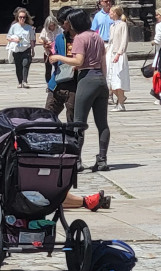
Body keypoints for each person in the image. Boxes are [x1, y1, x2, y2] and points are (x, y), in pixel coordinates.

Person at [51, 8, 110, 172]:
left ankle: (76, 160)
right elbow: (103, 61)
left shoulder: (79, 38)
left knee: (79, 122)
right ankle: (102, 158)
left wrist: (58, 57)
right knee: (102, 123)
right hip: (100, 78)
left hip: (87, 78)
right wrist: (105, 81)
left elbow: (78, 61)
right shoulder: (96, 36)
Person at [45, 7, 76, 123]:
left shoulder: (82, 38)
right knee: (47, 115)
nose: (62, 25)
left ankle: (73, 140)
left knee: (73, 117)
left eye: (63, 22)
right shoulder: (59, 38)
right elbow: (55, 60)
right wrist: (50, 53)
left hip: (75, 84)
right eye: (60, 22)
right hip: (57, 82)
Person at [106, 6, 129, 111]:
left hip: (118, 55)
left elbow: (124, 41)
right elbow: (110, 42)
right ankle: (120, 98)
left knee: (118, 79)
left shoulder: (122, 25)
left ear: (115, 13)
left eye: (111, 12)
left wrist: (119, 53)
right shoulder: (112, 26)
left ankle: (120, 104)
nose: (109, 13)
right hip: (111, 53)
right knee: (110, 80)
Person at [7, 8, 36, 88]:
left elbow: (32, 39)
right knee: (18, 66)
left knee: (26, 64)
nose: (22, 19)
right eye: (20, 17)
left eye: (24, 17)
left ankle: (25, 81)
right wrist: (14, 39)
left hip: (26, 48)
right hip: (17, 49)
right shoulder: (14, 27)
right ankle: (20, 82)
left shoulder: (29, 28)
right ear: (17, 17)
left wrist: (33, 50)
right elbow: (8, 37)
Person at [38, 14, 60, 84]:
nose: (51, 27)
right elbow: (40, 39)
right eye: (50, 26)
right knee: (48, 69)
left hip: (57, 52)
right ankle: (48, 83)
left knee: (57, 68)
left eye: (53, 25)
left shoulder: (59, 29)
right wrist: (46, 42)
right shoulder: (45, 30)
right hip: (48, 52)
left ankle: (57, 82)